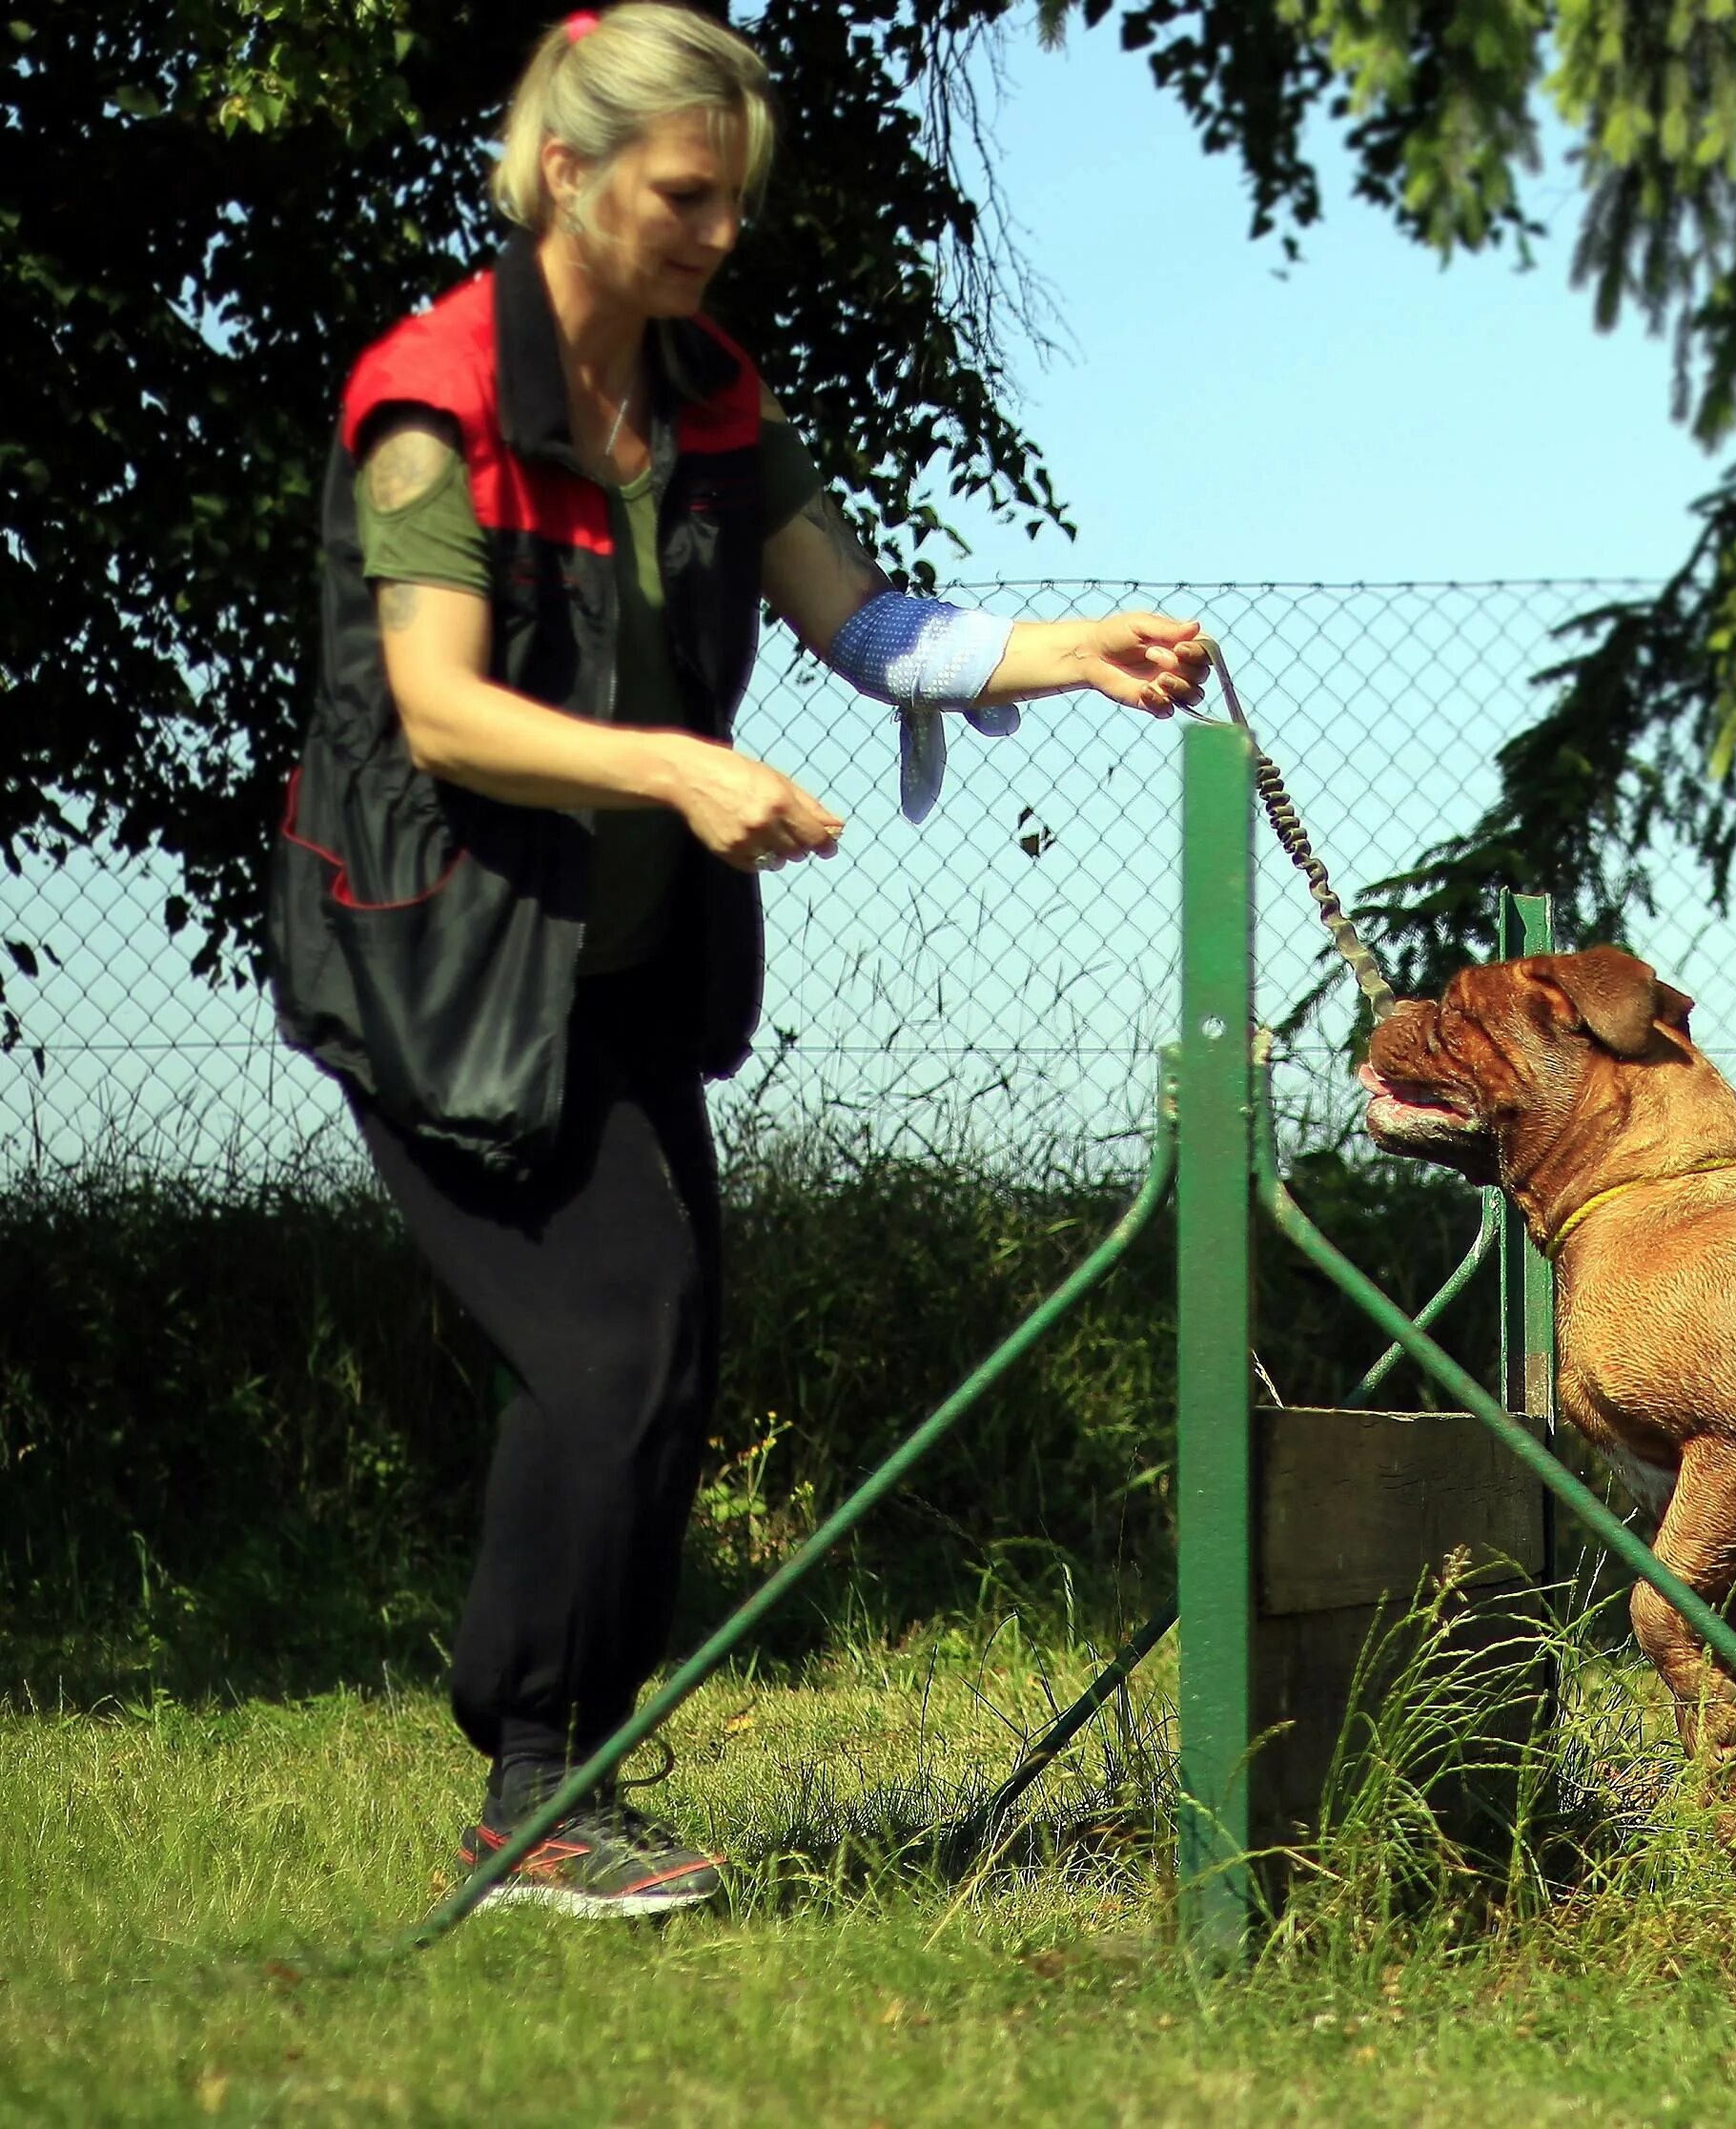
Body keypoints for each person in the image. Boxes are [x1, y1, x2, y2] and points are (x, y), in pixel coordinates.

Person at [269, 3, 1208, 1918]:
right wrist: (678, 767)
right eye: (685, 196)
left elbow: (863, 620)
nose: (714, 232)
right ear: (568, 173)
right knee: (608, 1343)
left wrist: (1068, 649)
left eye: (730, 201)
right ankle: (530, 1786)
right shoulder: (434, 397)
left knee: (665, 1355)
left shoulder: (707, 397)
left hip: (615, 970)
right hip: (439, 963)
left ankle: (571, 1780)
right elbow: (442, 713)